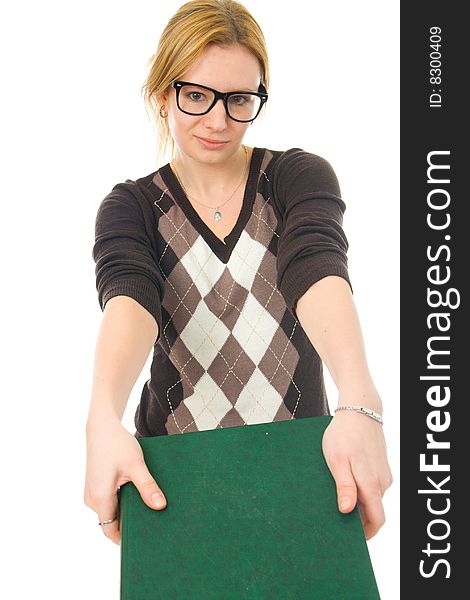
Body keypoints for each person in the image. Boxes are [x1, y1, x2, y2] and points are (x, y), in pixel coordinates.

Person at [84, 0, 393, 551]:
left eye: (240, 99)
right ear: (162, 95)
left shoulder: (296, 176)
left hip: (303, 464)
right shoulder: (132, 206)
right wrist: (101, 417)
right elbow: (130, 300)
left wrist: (359, 396)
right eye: (196, 96)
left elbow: (317, 269)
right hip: (175, 479)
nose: (218, 120)